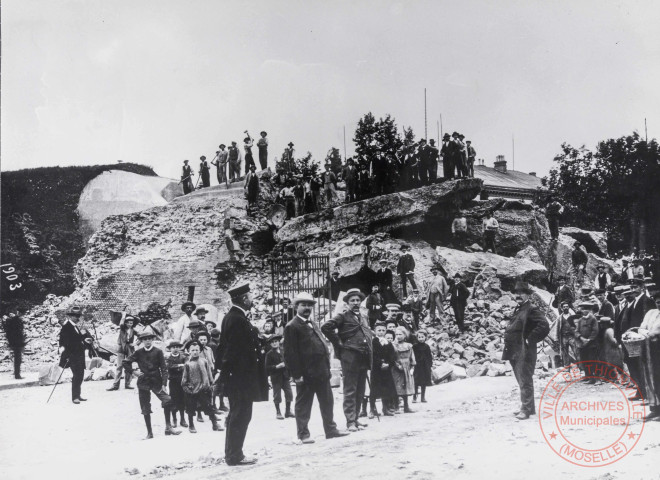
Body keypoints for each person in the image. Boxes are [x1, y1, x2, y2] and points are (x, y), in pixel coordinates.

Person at [283, 292, 349, 443]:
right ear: (296, 306)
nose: (307, 308)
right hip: (306, 374)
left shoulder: (311, 323)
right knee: (303, 405)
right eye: (303, 305)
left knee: (327, 402)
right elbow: (290, 353)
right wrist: (297, 374)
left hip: (321, 372)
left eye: (309, 305)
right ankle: (303, 434)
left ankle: (330, 429)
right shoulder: (292, 326)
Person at [216, 283, 267, 466]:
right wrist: (227, 373)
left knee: (237, 415)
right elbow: (232, 350)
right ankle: (234, 456)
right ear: (244, 299)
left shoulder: (233, 317)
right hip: (240, 378)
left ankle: (233, 453)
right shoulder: (237, 319)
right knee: (240, 415)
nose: (252, 299)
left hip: (237, 376)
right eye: (250, 296)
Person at [321, 288, 373, 432]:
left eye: (357, 300)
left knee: (360, 389)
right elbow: (326, 327)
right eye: (352, 301)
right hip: (350, 357)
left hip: (363, 356)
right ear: (347, 303)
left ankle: (355, 419)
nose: (355, 303)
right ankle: (350, 421)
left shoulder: (363, 317)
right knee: (350, 389)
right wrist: (338, 342)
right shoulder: (342, 316)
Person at [502, 282, 550, 420]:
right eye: (516, 293)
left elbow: (544, 325)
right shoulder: (519, 308)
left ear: (528, 295)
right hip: (515, 350)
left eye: (521, 293)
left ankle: (526, 409)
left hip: (525, 350)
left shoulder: (531, 309)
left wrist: (530, 339)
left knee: (525, 378)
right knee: (521, 379)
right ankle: (529, 407)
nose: (518, 295)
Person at [123, 331, 181, 438]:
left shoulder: (158, 352)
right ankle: (149, 432)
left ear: (152, 340)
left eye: (150, 339)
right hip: (143, 382)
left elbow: (164, 369)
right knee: (145, 407)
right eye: (145, 339)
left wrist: (164, 383)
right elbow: (125, 362)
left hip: (157, 382)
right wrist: (134, 372)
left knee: (167, 400)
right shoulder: (138, 352)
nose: (148, 341)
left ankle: (168, 427)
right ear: (142, 341)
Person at [182, 341, 223, 433]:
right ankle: (191, 425)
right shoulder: (187, 364)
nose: (195, 352)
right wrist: (188, 388)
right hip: (192, 390)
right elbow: (184, 380)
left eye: (197, 350)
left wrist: (211, 384)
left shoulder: (204, 361)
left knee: (209, 406)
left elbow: (209, 375)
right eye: (193, 350)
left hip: (204, 390)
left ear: (200, 351)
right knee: (190, 408)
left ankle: (214, 424)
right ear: (189, 351)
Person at [59, 306, 94, 404]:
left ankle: (78, 395)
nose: (77, 317)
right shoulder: (66, 327)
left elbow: (77, 338)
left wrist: (85, 339)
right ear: (70, 316)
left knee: (80, 375)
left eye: (78, 315)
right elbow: (65, 342)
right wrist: (66, 356)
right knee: (76, 375)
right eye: (75, 316)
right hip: (73, 356)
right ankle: (75, 397)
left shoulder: (75, 327)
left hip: (79, 355)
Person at [639, 291, 660, 421]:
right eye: (657, 301)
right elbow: (641, 327)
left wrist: (649, 332)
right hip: (649, 349)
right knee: (650, 377)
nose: (659, 304)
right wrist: (646, 332)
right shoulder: (651, 313)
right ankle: (655, 408)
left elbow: (656, 331)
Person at [370, 322, 399, 417]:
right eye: (379, 330)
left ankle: (385, 408)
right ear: (375, 331)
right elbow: (373, 355)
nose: (381, 332)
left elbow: (392, 356)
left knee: (386, 389)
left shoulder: (388, 343)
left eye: (383, 330)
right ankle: (372, 410)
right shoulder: (373, 342)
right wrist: (380, 363)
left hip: (386, 370)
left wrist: (388, 364)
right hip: (376, 369)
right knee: (374, 389)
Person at [265, 335, 294, 420]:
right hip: (276, 377)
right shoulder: (269, 354)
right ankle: (278, 412)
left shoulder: (283, 351)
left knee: (289, 393)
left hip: (285, 376)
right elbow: (267, 367)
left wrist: (291, 374)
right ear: (270, 344)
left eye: (276, 341)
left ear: (279, 342)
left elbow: (288, 363)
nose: (274, 343)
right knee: (277, 395)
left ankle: (288, 411)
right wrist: (276, 366)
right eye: (272, 342)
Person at [107, 314, 137, 391]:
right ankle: (115, 385)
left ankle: (127, 384)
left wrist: (135, 343)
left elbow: (141, 336)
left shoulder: (133, 331)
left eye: (131, 323)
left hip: (129, 350)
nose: (130, 324)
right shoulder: (122, 329)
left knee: (128, 367)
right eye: (128, 323)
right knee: (119, 367)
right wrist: (123, 315)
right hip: (121, 349)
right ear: (125, 323)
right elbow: (121, 324)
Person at [574, 301, 600, 383]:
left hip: (592, 344)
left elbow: (595, 331)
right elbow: (576, 331)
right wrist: (581, 338)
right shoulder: (580, 320)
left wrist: (589, 340)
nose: (582, 311)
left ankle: (596, 378)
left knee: (593, 360)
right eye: (582, 309)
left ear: (588, 310)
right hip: (582, 344)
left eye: (584, 309)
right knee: (584, 360)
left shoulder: (593, 319)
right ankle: (588, 376)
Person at [391, 326, 416, 413]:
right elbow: (392, 358)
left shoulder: (408, 346)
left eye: (400, 334)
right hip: (397, 368)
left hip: (407, 367)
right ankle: (396, 406)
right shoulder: (393, 345)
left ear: (405, 335)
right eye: (397, 334)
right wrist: (397, 365)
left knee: (406, 386)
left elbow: (412, 357)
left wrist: (412, 366)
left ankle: (406, 406)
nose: (398, 336)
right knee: (397, 386)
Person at [165, 339, 188, 428]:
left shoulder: (183, 357)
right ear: (170, 349)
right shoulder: (168, 358)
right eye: (173, 347)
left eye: (177, 347)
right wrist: (179, 366)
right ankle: (174, 419)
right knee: (173, 400)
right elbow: (169, 366)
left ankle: (182, 419)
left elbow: (186, 365)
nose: (175, 349)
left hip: (182, 381)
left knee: (182, 399)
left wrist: (180, 367)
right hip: (173, 382)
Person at [2, 309, 26, 379]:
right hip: (17, 343)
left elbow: (8, 332)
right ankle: (17, 375)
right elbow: (18, 333)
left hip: (14, 342)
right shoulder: (16, 320)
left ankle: (16, 373)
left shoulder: (12, 320)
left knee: (16, 358)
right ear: (19, 313)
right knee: (18, 359)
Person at [412, 329, 432, 403]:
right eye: (419, 337)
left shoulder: (427, 346)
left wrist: (430, 365)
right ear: (417, 338)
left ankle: (423, 397)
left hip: (425, 367)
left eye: (422, 337)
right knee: (416, 382)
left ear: (425, 337)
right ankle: (414, 397)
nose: (421, 339)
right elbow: (412, 356)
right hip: (417, 366)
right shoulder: (415, 346)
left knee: (424, 382)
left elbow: (429, 356)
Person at [555, 302, 578, 367]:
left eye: (567, 306)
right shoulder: (559, 318)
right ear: (562, 308)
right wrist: (556, 337)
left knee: (576, 351)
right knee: (564, 352)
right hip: (564, 337)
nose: (566, 308)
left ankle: (581, 367)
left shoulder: (572, 316)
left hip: (572, 337)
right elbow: (557, 327)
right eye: (564, 307)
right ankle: (567, 367)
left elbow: (577, 325)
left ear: (569, 307)